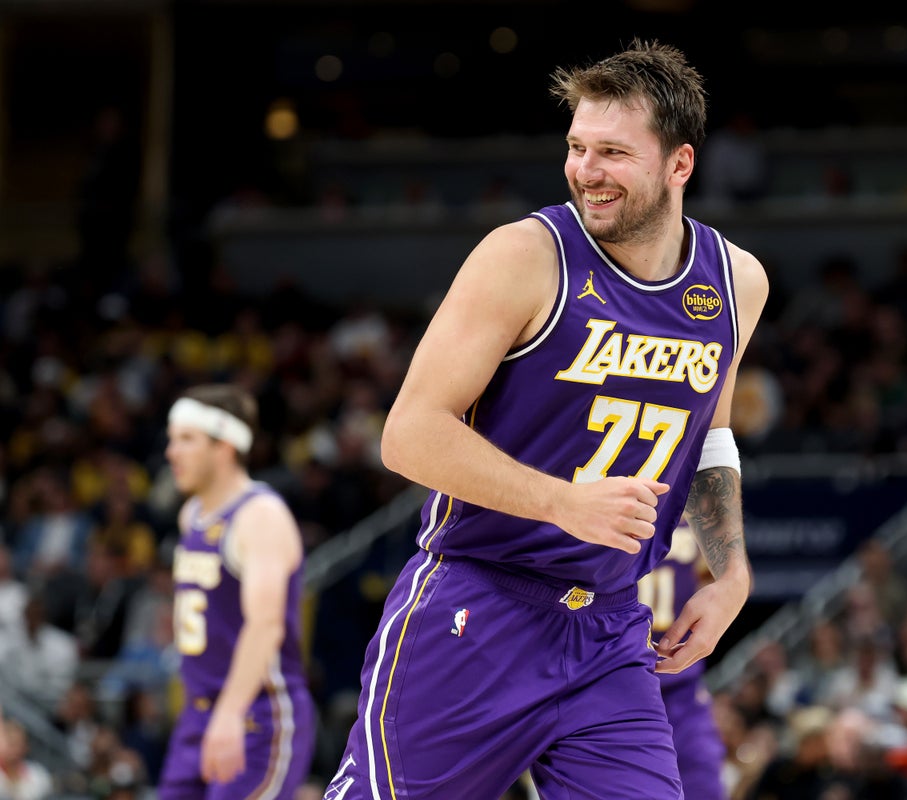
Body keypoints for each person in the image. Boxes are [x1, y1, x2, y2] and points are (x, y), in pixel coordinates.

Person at [326, 38, 769, 799]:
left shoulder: (736, 283)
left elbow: (711, 438)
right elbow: (408, 433)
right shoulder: (525, 256)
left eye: (613, 153)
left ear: (680, 164)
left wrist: (731, 572)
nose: (586, 170)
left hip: (610, 631)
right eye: (576, 147)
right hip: (477, 609)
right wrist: (560, 502)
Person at [158, 384, 316, 799]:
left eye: (186, 439)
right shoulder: (191, 515)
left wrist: (230, 713)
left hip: (255, 712)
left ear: (224, 447)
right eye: (172, 439)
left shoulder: (260, 515)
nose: (172, 452)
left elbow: (266, 625)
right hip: (197, 713)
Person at [640, 522, 726, 799]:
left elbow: (732, 580)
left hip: (681, 684)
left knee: (704, 782)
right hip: (613, 678)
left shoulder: (695, 510)